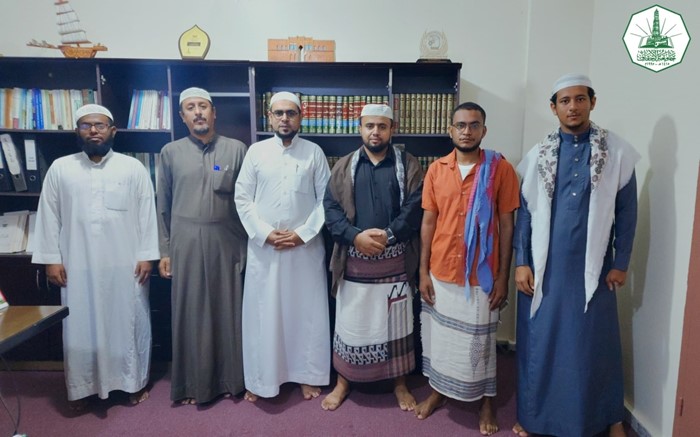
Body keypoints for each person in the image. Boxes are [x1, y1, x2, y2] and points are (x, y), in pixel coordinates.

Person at [512, 74, 639, 437]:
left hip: (593, 271)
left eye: (580, 99)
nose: (573, 107)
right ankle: (534, 418)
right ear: (553, 108)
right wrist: (521, 262)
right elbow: (525, 214)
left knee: (593, 346)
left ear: (592, 102)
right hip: (544, 270)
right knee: (541, 345)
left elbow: (627, 213)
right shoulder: (539, 155)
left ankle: (608, 418)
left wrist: (621, 263)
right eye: (565, 101)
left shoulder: (616, 153)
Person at [32, 104, 160, 410]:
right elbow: (49, 216)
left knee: (129, 323)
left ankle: (132, 383)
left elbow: (147, 214)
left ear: (112, 131)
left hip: (126, 265)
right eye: (86, 125)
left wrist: (147, 255)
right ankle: (83, 389)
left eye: (100, 125)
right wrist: (51, 259)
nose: (93, 131)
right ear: (77, 131)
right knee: (79, 326)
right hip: (77, 265)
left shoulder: (132, 168)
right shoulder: (61, 168)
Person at [415, 102, 519, 435]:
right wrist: (422, 272)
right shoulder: (436, 170)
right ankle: (438, 391)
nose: (467, 131)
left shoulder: (500, 169)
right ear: (451, 130)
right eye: (460, 125)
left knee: (481, 342)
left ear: (483, 131)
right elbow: (428, 222)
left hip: (481, 274)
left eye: (474, 125)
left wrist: (503, 277)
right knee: (441, 338)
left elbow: (507, 225)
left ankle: (487, 400)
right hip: (442, 270)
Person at [322, 103, 423, 412]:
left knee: (395, 326)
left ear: (392, 129)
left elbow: (416, 207)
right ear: (360, 128)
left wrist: (388, 236)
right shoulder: (344, 166)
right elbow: (330, 210)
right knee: (352, 323)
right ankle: (344, 381)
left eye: (381, 126)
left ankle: (399, 383)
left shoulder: (409, 164)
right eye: (369, 126)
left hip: (396, 259)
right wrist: (356, 237)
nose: (375, 132)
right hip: (354, 260)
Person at [235, 91, 331, 402]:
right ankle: (262, 378)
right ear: (270, 117)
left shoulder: (314, 153)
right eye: (279, 113)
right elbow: (242, 198)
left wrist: (303, 234)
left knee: (305, 313)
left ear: (301, 117)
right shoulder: (256, 152)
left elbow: (326, 200)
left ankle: (306, 375)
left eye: (291, 113)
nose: (285, 119)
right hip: (266, 250)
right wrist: (265, 233)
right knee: (264, 314)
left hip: (304, 250)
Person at [157, 87, 248, 405]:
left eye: (203, 106)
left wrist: (247, 249)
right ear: (182, 116)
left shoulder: (237, 150)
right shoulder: (170, 152)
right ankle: (189, 385)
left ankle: (232, 381)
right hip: (185, 244)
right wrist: (165, 251)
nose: (198, 112)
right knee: (189, 313)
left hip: (228, 243)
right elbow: (163, 205)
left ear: (214, 112)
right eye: (190, 107)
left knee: (229, 311)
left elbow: (247, 203)